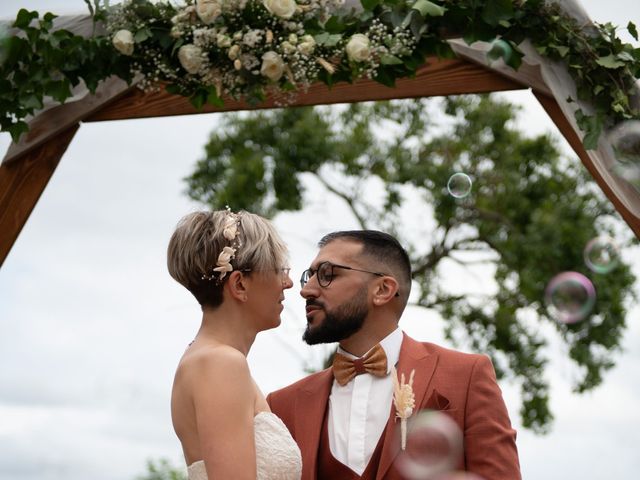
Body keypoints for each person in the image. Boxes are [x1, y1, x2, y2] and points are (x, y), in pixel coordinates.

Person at [267, 230, 521, 480]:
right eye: (308, 277)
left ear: (382, 290)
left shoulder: (466, 376)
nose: (306, 290)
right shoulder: (281, 405)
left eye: (327, 275)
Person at [167, 209, 302, 480]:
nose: (287, 283)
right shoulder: (220, 363)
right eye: (279, 270)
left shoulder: (209, 358)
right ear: (239, 284)